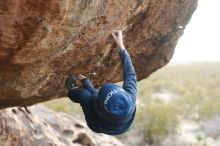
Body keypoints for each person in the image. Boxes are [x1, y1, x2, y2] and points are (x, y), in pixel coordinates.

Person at [65, 30, 137, 135]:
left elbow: (93, 94)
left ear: (102, 105)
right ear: (123, 92)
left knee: (85, 95)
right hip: (122, 122)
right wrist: (122, 47)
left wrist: (85, 81)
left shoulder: (100, 109)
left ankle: (72, 91)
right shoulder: (131, 97)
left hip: (99, 125)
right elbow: (130, 75)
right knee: (91, 93)